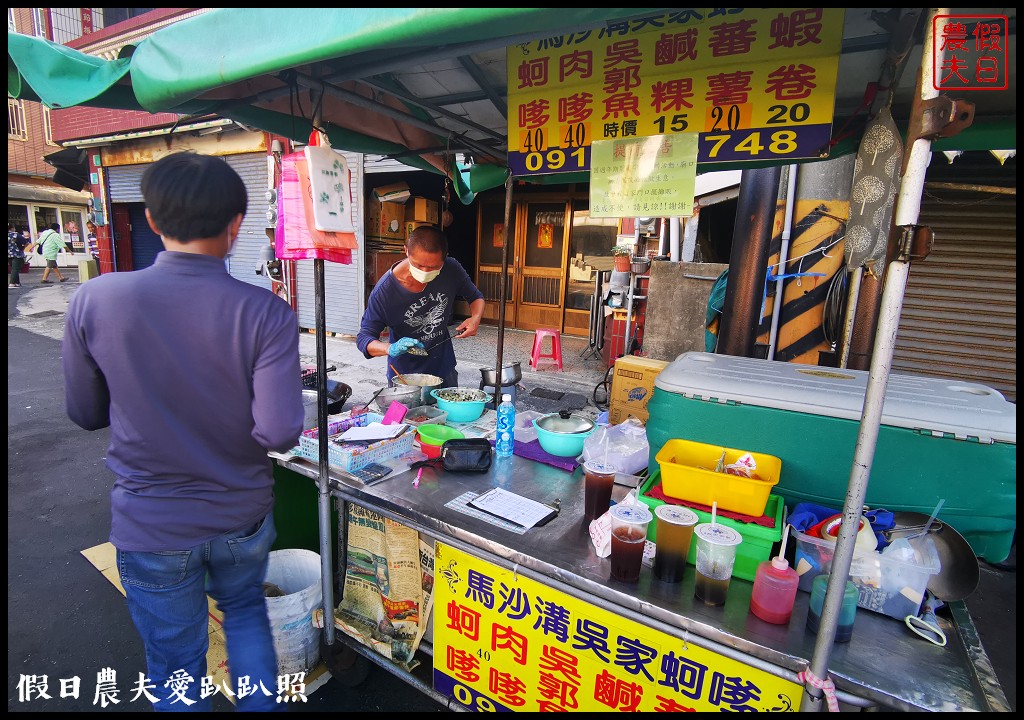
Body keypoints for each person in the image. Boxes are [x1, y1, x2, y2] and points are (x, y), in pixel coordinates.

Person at [62, 152, 305, 712]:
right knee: (245, 616)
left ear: (151, 219)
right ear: (236, 224)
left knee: (175, 665)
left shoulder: (95, 300)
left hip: (151, 522)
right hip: (240, 518)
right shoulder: (265, 312)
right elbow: (278, 432)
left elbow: (85, 412)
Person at [356, 224, 485, 388]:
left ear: (445, 257)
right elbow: (364, 338)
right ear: (406, 251)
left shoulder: (451, 269)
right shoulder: (384, 292)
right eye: (418, 265)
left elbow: (475, 297)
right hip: (404, 377)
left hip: (444, 369)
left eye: (433, 267)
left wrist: (475, 318)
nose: (424, 272)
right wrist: (390, 348)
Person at [8, 223, 30, 288]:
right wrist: (22, 249)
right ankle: (12, 283)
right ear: (12, 228)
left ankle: (17, 282)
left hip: (8, 254)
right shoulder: (15, 235)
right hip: (17, 254)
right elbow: (26, 243)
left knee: (13, 268)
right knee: (15, 268)